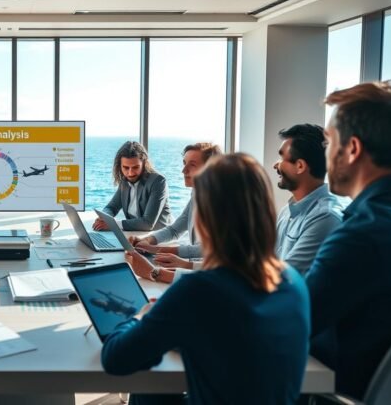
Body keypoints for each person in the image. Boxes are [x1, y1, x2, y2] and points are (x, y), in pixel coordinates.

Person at [103, 154, 310, 405]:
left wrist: (142, 316)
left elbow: (116, 359)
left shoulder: (199, 290)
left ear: (207, 218)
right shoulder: (294, 283)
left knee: (148, 388)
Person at [306, 81, 391, 399]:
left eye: (329, 142)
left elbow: (290, 323)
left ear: (352, 149)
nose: (325, 153)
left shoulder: (361, 237)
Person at [130, 143, 222, 273]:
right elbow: (175, 229)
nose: (183, 170)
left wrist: (160, 250)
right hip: (196, 269)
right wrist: (147, 241)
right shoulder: (197, 192)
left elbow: (209, 249)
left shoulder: (222, 202)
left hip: (212, 272)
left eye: (192, 165)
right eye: (184, 163)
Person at [272, 124, 343, 275]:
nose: (275, 165)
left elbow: (285, 276)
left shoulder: (326, 217)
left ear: (300, 166)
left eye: (281, 157)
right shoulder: (287, 212)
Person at [93, 141, 172, 232]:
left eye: (135, 167)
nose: (130, 173)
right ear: (120, 166)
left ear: (144, 164)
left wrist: (112, 224)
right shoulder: (125, 181)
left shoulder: (158, 182)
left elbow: (148, 223)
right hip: (134, 233)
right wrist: (104, 218)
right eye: (126, 168)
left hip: (159, 236)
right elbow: (111, 207)